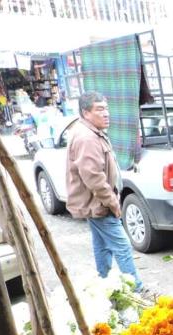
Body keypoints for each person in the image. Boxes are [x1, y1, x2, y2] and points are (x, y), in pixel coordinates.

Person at [65, 91, 144, 292]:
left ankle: (104, 285)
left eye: (106, 108)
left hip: (97, 204)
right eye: (99, 109)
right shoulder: (86, 137)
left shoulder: (91, 132)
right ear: (86, 113)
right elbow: (93, 177)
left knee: (102, 246)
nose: (106, 113)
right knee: (123, 247)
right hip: (99, 204)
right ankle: (137, 290)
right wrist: (112, 202)